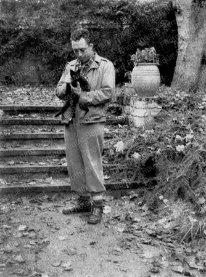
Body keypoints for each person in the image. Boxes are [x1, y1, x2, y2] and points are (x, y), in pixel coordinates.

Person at [56, 28, 115, 224]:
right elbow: (58, 91)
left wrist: (83, 95)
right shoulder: (71, 65)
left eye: (82, 50)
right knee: (75, 164)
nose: (79, 55)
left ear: (91, 46)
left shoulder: (105, 66)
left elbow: (107, 93)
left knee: (92, 163)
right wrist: (66, 88)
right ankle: (82, 201)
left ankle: (97, 204)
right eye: (75, 51)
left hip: (92, 120)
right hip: (71, 120)